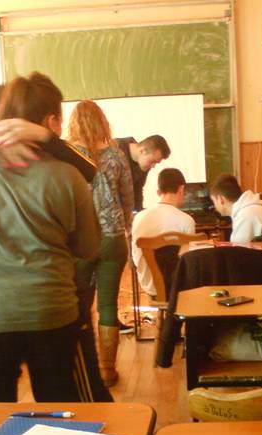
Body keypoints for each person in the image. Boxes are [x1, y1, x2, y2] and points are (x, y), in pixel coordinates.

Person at [0, 72, 101, 402]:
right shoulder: (69, 176)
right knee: (60, 411)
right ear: (50, 121)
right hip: (51, 310)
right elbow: (89, 247)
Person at [69, 100, 134, 387]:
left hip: (79, 240)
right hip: (113, 238)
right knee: (108, 304)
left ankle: (83, 368)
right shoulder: (117, 156)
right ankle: (107, 370)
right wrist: (125, 226)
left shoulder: (67, 156)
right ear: (102, 122)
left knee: (80, 304)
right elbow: (128, 198)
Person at [132, 168, 195, 296]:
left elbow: (135, 257)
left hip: (150, 286)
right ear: (181, 189)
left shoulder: (139, 217)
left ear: (159, 191)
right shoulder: (187, 221)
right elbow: (188, 263)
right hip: (179, 289)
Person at [209, 174, 262, 242]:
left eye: (213, 201)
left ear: (220, 199)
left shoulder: (245, 215)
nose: (214, 206)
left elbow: (236, 252)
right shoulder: (258, 209)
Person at [115, 135, 170, 211]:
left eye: (156, 163)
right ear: (142, 151)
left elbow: (138, 191)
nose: (153, 166)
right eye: (153, 161)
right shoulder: (114, 149)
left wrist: (140, 214)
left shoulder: (143, 165)